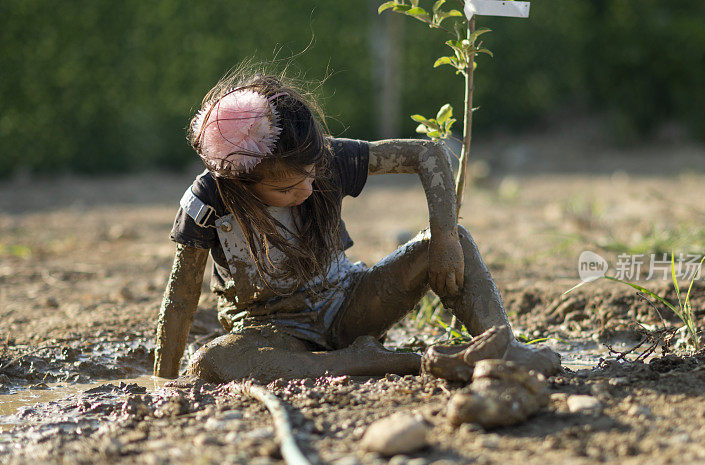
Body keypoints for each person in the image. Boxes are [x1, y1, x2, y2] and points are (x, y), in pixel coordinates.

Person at [153, 67, 561, 383]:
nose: (308, 189)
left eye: (312, 175)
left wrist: (445, 236)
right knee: (210, 359)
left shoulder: (329, 157)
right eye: (290, 187)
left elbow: (428, 154)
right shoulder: (207, 203)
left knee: (455, 243)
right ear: (241, 183)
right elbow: (181, 300)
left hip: (349, 304)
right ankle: (368, 363)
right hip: (270, 330)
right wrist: (162, 380)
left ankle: (502, 346)